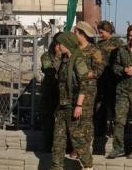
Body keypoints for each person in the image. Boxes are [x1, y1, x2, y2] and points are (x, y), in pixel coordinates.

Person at [50, 24, 104, 170]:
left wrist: (79, 105)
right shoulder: (65, 60)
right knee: (58, 141)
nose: (58, 46)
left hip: (74, 104)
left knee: (77, 137)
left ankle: (88, 165)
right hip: (63, 104)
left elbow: (85, 83)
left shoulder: (78, 60)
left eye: (59, 44)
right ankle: (56, 167)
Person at [108, 25, 132, 160]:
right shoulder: (121, 50)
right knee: (119, 120)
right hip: (122, 90)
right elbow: (115, 66)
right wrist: (123, 70)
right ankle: (118, 148)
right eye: (130, 35)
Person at [95, 21, 124, 143]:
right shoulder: (98, 44)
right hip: (101, 79)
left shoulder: (118, 43)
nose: (100, 35)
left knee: (114, 107)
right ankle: (100, 130)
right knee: (100, 106)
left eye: (102, 32)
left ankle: (114, 131)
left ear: (108, 31)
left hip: (114, 79)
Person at [40, 32, 62, 152]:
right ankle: (48, 146)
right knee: (48, 120)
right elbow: (51, 71)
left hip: (62, 92)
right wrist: (58, 57)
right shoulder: (46, 56)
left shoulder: (67, 56)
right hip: (50, 91)